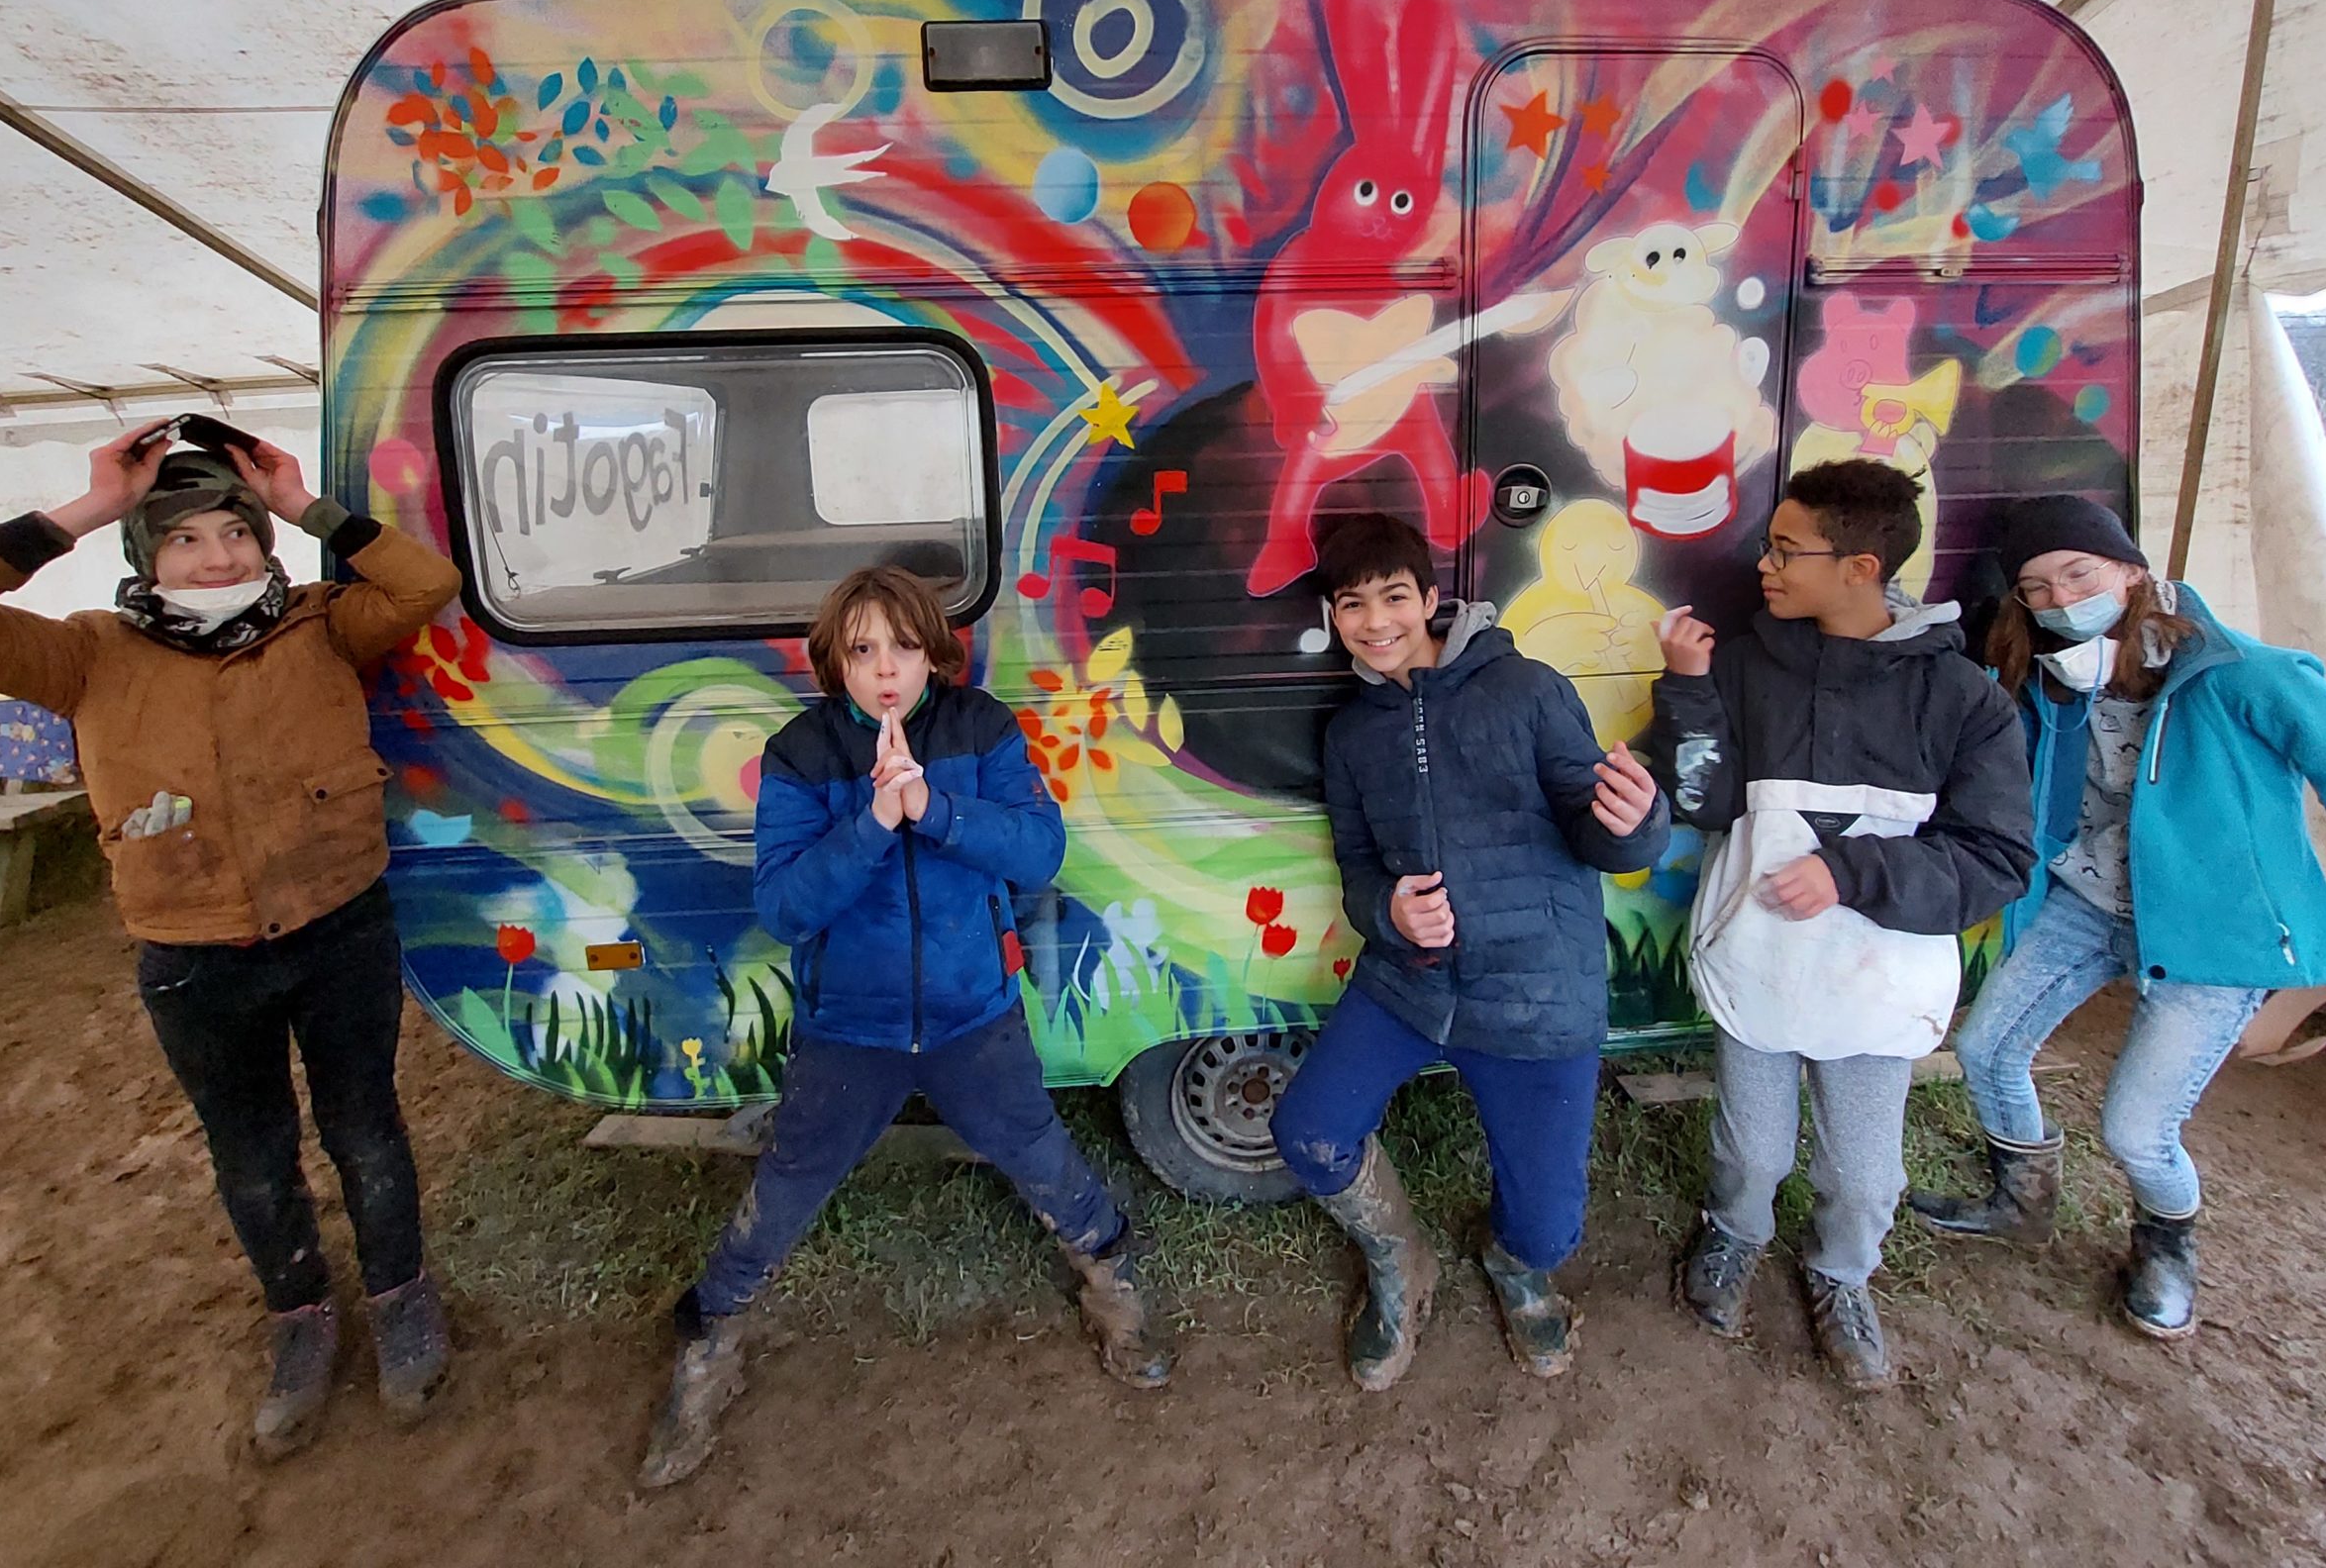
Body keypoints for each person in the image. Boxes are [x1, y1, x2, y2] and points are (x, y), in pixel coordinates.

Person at [0, 417, 464, 1458]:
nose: (218, 558)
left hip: (339, 925)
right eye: (185, 539)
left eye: (238, 533)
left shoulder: (321, 625)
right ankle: (299, 1320)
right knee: (251, 1150)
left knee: (365, 1127)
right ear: (145, 553)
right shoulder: (83, 654)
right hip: (193, 952)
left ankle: (402, 1299)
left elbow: (424, 581)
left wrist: (302, 504)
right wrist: (87, 509)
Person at [640, 565, 1170, 1489]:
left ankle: (1111, 1280)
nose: (885, 668)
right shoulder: (802, 754)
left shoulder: (980, 728)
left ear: (934, 652)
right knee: (791, 1179)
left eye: (903, 646)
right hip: (851, 1028)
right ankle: (710, 1339)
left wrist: (934, 808)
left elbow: (1039, 851)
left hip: (974, 1015)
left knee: (1039, 1151)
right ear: (834, 662)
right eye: (862, 650)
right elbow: (786, 907)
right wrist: (877, 818)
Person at [1907, 495, 2326, 1337]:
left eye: (2079, 573)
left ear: (2131, 570)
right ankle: (2021, 1201)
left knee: (2137, 1129)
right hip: (2088, 902)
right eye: (2037, 588)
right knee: (1985, 1048)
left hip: (2211, 930)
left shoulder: (2243, 675)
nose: (2061, 598)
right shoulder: (2046, 675)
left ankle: (2165, 1245)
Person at [1647, 460, 2034, 1390]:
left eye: (1788, 550)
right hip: (1761, 960)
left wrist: (1849, 872)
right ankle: (1734, 1232)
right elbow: (1704, 801)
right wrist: (1690, 688)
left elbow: (1996, 859)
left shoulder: (1964, 701)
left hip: (1875, 978)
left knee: (1863, 1177)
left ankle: (1843, 1273)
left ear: (1861, 567)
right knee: (1753, 1151)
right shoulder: (1747, 665)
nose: (1765, 565)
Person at [1268, 513, 1669, 1389]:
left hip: (1537, 990)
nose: (1375, 622)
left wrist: (1638, 825)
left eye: (1393, 597)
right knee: (1309, 1133)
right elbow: (1357, 866)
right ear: (1334, 617)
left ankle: (1517, 1269)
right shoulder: (1351, 733)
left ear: (1431, 599)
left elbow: (1598, 829)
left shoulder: (1526, 688)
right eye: (1352, 605)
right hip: (1409, 986)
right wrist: (1388, 911)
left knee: (1550, 1231)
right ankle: (1400, 1261)